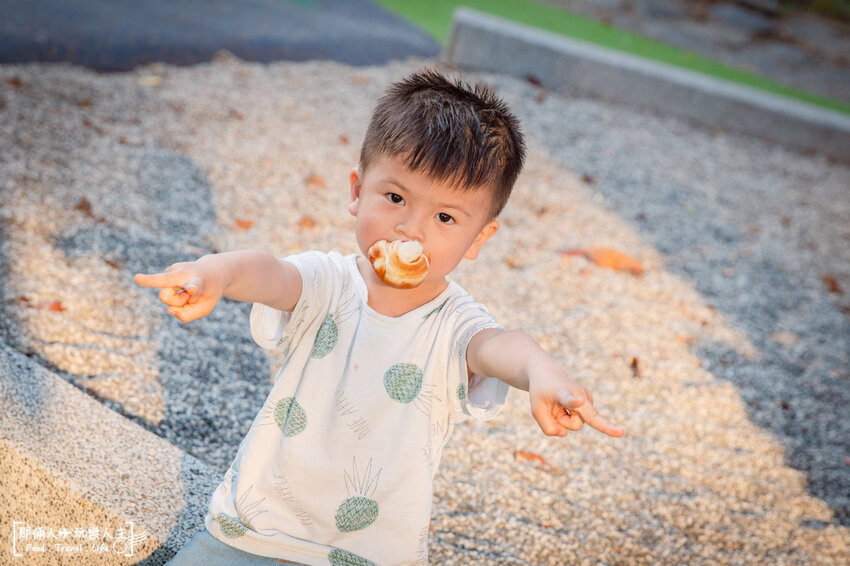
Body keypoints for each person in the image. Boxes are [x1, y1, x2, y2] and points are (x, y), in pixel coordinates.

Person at [135, 68, 624, 566]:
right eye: (395, 198)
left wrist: (544, 374)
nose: (410, 228)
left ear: (479, 238)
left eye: (446, 218)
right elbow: (271, 273)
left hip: (371, 555)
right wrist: (215, 273)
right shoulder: (328, 282)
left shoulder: (453, 325)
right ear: (357, 190)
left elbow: (504, 348)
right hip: (252, 530)